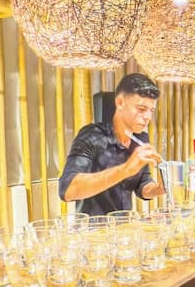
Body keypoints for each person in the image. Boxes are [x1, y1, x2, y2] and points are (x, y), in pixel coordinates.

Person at [59, 72, 165, 216]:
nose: (147, 117)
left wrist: (159, 188)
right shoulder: (93, 135)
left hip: (125, 225)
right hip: (95, 227)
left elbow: (142, 185)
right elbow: (67, 189)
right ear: (120, 103)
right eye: (141, 109)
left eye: (151, 110)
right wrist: (125, 169)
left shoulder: (140, 138)